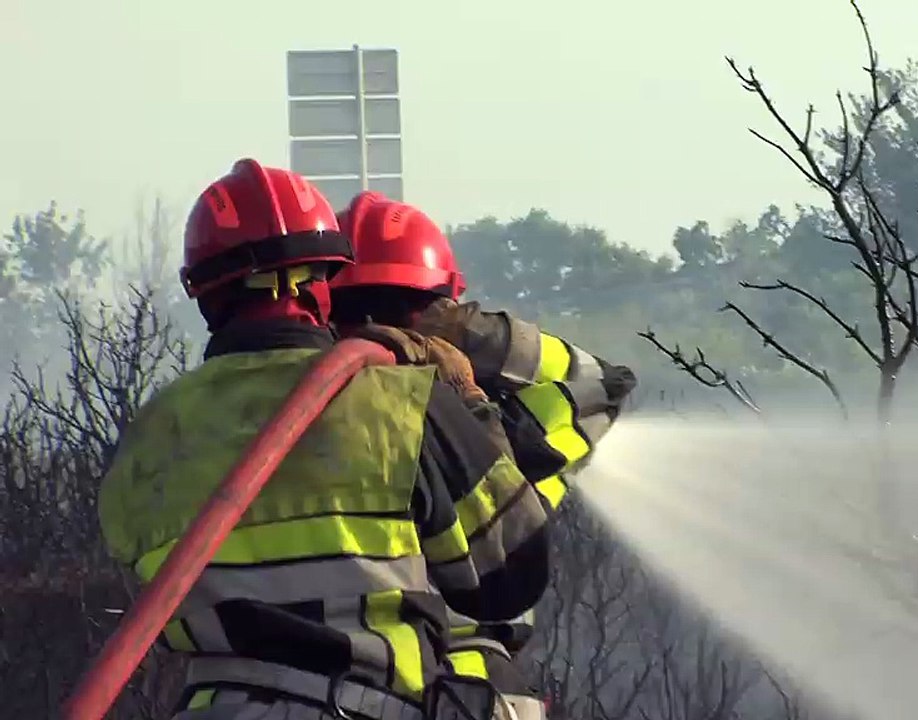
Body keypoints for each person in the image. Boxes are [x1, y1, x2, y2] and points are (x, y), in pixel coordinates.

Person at [96, 159, 550, 720]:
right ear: (326, 282)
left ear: (205, 294)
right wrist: (470, 405)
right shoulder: (398, 400)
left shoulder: (148, 433)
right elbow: (510, 579)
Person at [328, 191, 637, 718]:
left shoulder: (309, 423)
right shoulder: (497, 432)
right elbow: (602, 381)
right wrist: (472, 354)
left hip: (359, 687)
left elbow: (606, 382)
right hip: (466, 684)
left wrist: (466, 363)